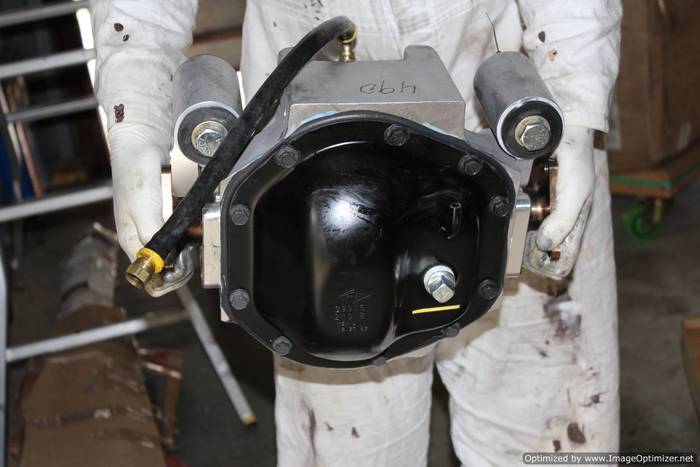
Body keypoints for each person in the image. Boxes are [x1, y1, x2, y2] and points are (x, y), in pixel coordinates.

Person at [91, 1, 622, 465]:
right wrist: (136, 121)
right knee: (351, 445)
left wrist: (574, 107)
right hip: (297, 152)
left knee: (552, 436)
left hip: (504, 122)